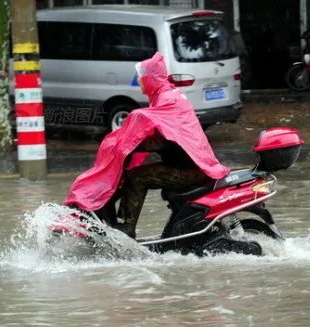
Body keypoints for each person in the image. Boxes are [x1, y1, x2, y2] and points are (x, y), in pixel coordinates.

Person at [64, 52, 230, 239]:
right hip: (186, 164)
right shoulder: (164, 96)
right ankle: (118, 220)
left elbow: (160, 134)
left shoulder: (168, 99)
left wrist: (131, 141)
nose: (138, 80)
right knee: (131, 174)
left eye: (141, 76)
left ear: (151, 78)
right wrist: (126, 144)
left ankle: (127, 227)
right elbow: (163, 136)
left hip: (192, 170)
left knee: (138, 177)